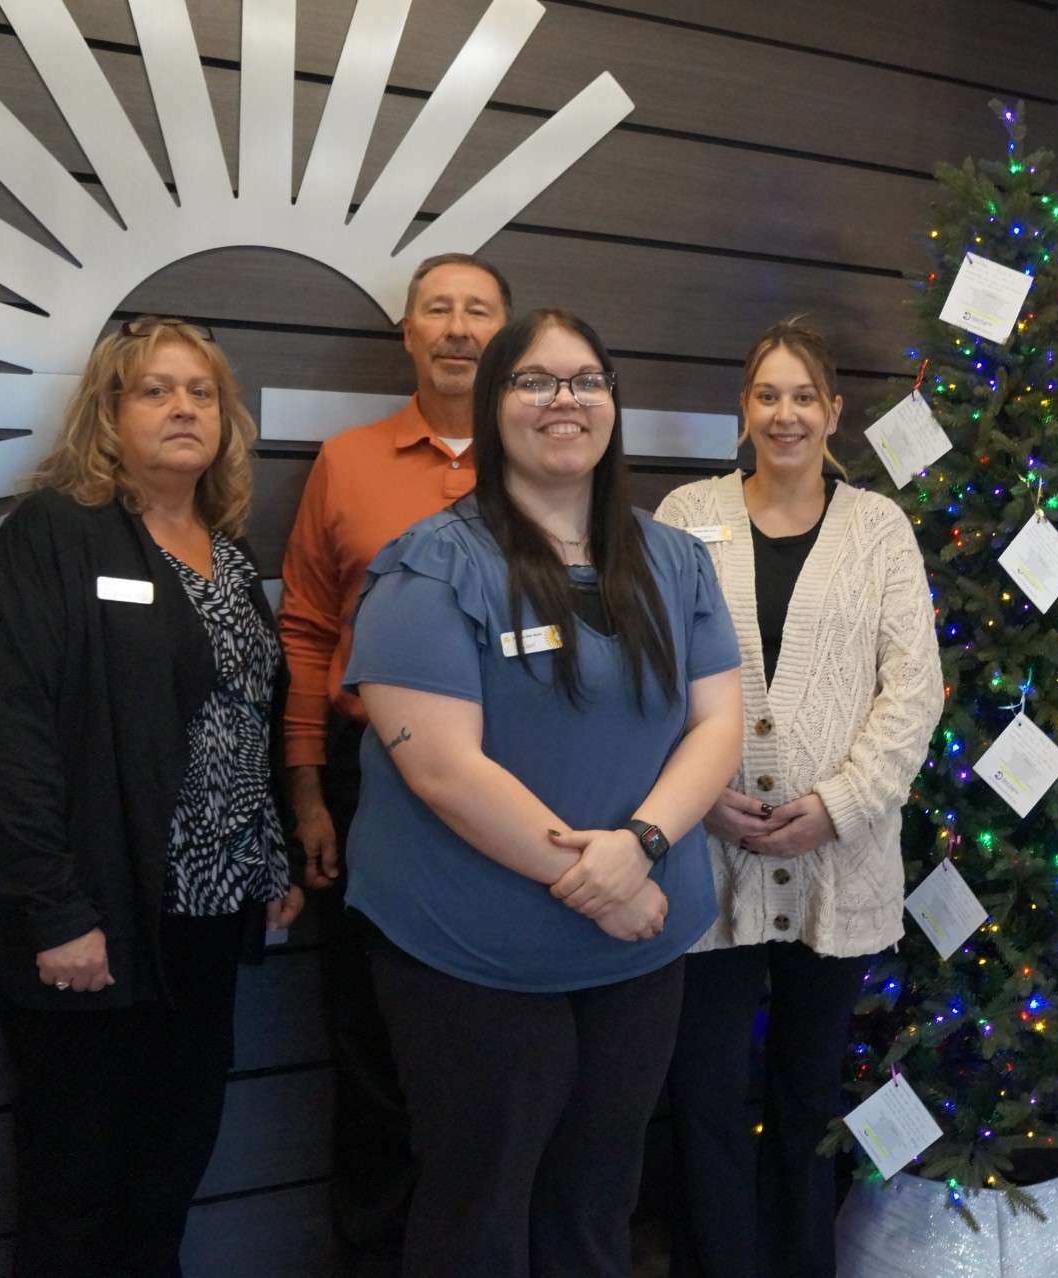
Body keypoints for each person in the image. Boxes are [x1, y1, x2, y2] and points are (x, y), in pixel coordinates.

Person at [341, 308, 744, 1278]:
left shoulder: (674, 560)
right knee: (478, 1210)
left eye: (587, 380)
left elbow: (719, 724)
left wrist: (639, 846)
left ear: (613, 405)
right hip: (472, 954)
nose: (565, 400)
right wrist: (597, 873)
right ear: (493, 406)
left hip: (638, 944)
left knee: (597, 1205)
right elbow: (440, 767)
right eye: (535, 381)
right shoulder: (431, 566)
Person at [0, 317, 304, 1276]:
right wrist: (54, 909)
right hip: (94, 926)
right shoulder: (56, 534)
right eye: (155, 390)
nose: (184, 407)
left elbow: (244, 720)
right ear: (109, 414)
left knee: (167, 1176)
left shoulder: (227, 555)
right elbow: (6, 737)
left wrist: (267, 859)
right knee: (76, 1194)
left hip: (206, 922)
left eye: (201, 392)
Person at [655, 319, 943, 1278]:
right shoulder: (683, 515)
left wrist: (843, 802)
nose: (785, 414)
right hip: (707, 855)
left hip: (839, 856)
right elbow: (652, 673)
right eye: (767, 396)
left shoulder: (878, 529)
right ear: (744, 411)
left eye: (803, 397)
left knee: (810, 1091)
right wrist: (700, 799)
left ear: (833, 413)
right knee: (704, 1091)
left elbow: (915, 688)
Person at [277, 251, 509, 1274]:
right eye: (438, 311)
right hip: (373, 786)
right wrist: (310, 791)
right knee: (373, 1051)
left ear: (506, 335)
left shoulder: (545, 458)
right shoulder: (348, 461)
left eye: (479, 312)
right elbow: (306, 634)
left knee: (501, 1054)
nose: (458, 328)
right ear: (408, 333)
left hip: (519, 790)